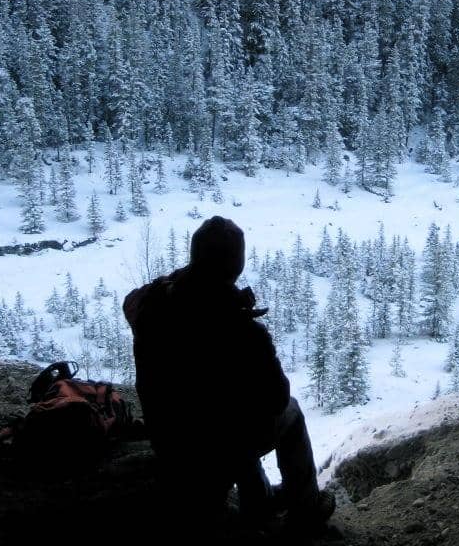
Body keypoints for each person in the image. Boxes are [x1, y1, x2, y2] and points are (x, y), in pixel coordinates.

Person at [122, 216, 335, 531]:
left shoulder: (150, 307)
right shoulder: (244, 332)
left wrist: (187, 283)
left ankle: (260, 498)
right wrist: (231, 307)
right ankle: (306, 511)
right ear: (237, 267)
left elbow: (135, 300)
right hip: (212, 452)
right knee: (286, 413)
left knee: (223, 411)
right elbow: (276, 399)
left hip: (169, 441)